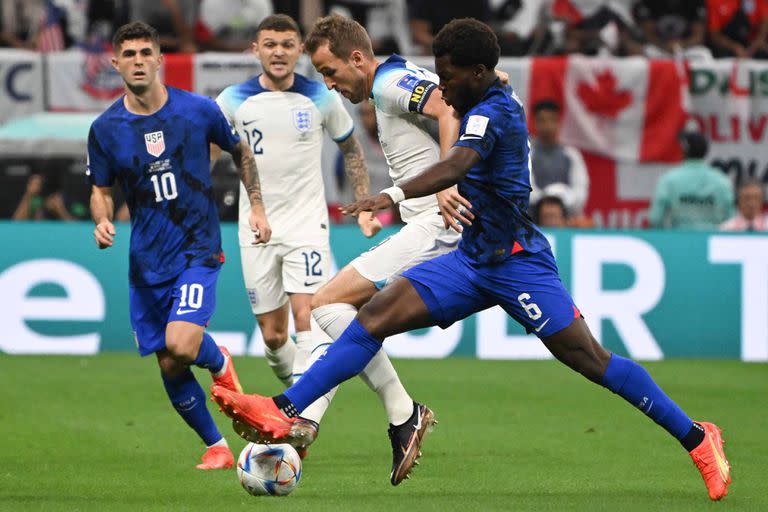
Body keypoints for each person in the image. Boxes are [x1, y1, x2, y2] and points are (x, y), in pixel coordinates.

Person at [210, 18, 732, 501]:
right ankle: (284, 411)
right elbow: (457, 112)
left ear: (476, 74)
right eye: (439, 74)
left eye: (450, 77)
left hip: (516, 262)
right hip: (469, 261)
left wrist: (391, 196)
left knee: (590, 361)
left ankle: (697, 438)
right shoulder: (481, 96)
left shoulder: (495, 113)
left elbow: (457, 160)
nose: (442, 87)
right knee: (370, 320)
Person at [223, 13, 467, 484]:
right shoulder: (393, 82)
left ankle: (336, 414)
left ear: (357, 58)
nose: (331, 85)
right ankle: (362, 416)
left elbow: (445, 108)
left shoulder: (392, 80)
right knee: (342, 315)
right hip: (430, 225)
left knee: (326, 305)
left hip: (441, 227)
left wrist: (448, 177)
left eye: (331, 72)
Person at [87, 21, 269, 470]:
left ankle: (217, 356)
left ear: (159, 59)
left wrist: (258, 208)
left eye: (145, 52)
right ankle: (217, 446)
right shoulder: (105, 128)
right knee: (169, 362)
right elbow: (100, 188)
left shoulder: (198, 111)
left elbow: (239, 151)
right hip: (146, 261)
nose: (138, 61)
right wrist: (103, 219)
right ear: (116, 64)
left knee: (184, 344)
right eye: (128, 55)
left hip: (197, 249)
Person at [213, 13, 379, 433]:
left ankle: (301, 416)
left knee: (308, 315)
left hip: (307, 223)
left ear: (298, 51)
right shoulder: (233, 99)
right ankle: (298, 390)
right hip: (255, 227)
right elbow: (209, 153)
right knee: (272, 335)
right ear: (256, 50)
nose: (279, 52)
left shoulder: (321, 98)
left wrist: (363, 204)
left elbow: (352, 149)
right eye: (270, 44)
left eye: (287, 44)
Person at [649, 132, 734, 229]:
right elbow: (732, 219)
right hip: (713, 240)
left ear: (683, 151)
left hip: (680, 241)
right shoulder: (722, 181)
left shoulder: (669, 180)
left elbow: (655, 219)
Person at [530, 99, 589, 215]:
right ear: (535, 123)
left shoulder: (571, 154)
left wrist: (561, 204)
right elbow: (527, 189)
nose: (547, 126)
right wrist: (546, 206)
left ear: (558, 122)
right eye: (542, 121)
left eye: (552, 120)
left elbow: (580, 190)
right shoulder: (526, 154)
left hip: (565, 219)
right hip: (534, 218)